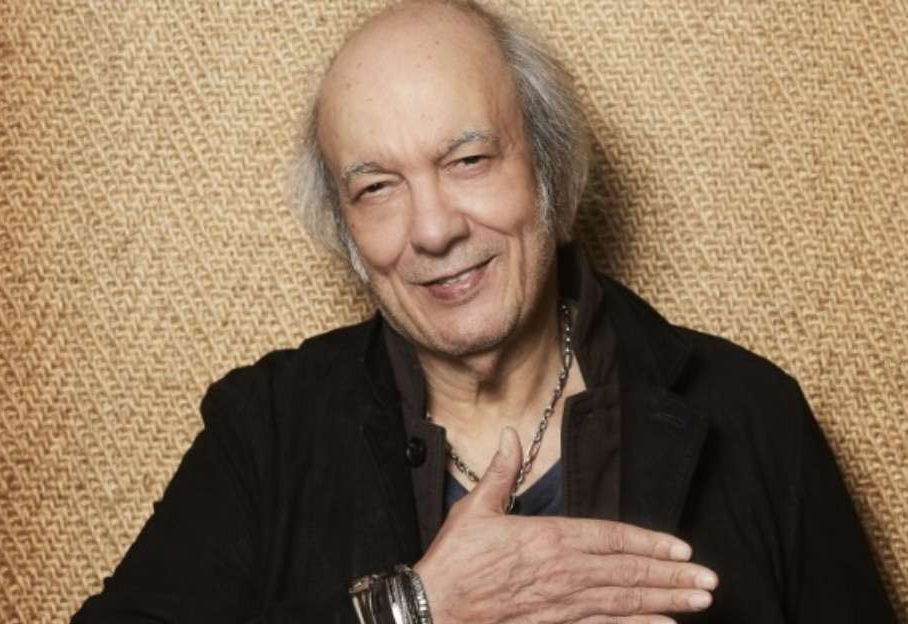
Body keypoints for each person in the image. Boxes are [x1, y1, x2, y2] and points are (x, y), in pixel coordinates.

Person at [72, 1, 895, 622]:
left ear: (548, 170)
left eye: (468, 160)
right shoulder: (266, 429)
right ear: (348, 232)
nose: (433, 229)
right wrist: (410, 608)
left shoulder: (752, 416)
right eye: (377, 187)